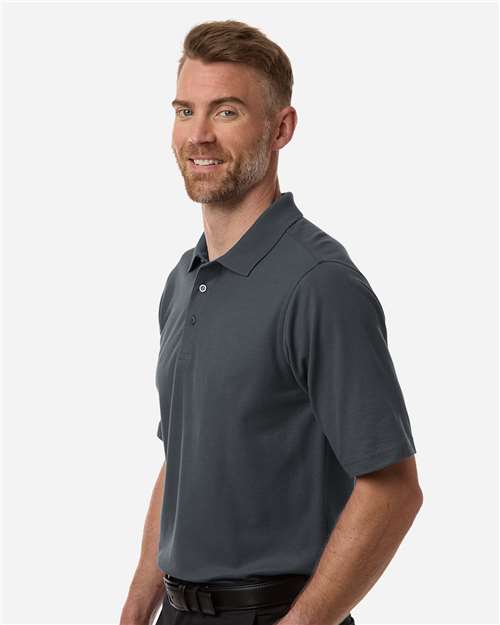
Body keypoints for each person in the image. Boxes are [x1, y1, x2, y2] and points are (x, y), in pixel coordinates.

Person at [119, 19, 423, 625]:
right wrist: (134, 611)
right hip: (177, 611)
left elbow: (392, 490)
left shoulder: (319, 283)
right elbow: (182, 460)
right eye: (185, 110)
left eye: (227, 112)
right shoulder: (185, 279)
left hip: (273, 612)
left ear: (281, 128)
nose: (198, 135)